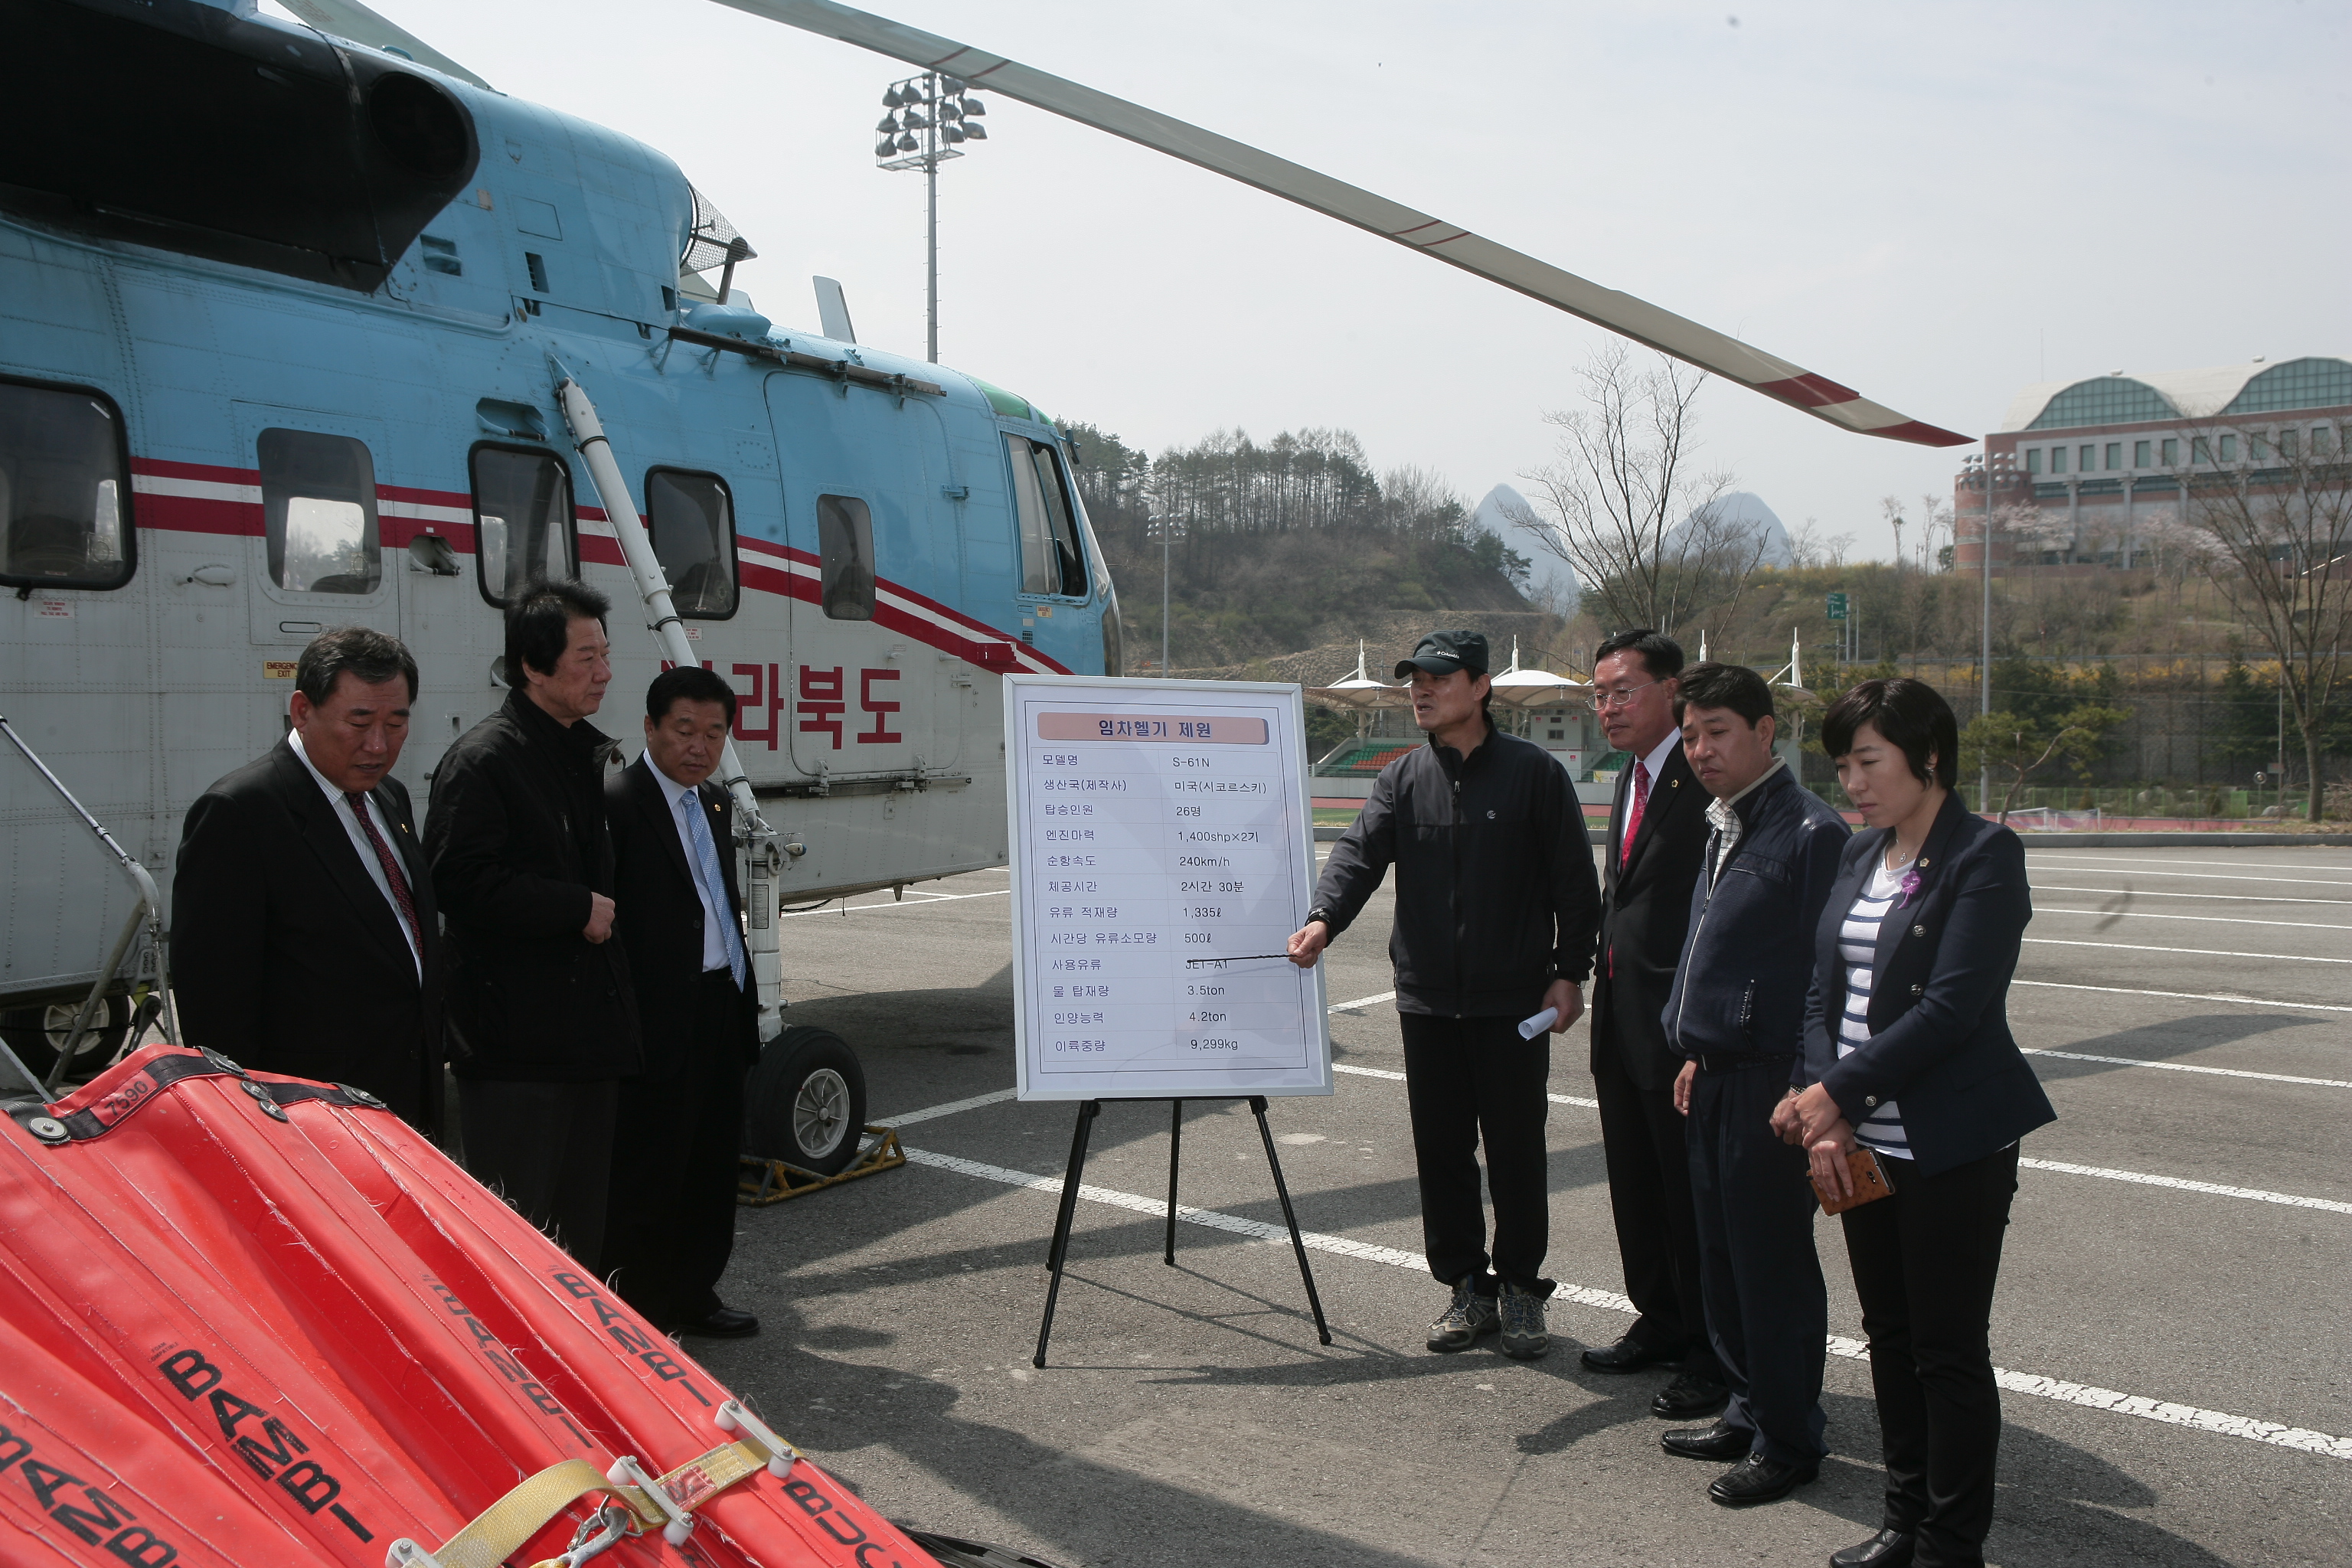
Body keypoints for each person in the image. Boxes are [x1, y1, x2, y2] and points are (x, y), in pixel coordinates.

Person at [1782, 678, 2055, 1568]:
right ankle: (1902, 1520)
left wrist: (1837, 1096)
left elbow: (1950, 1009)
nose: (1853, 781)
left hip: (1947, 1142)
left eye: (1870, 760)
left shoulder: (1985, 855)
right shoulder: (1862, 856)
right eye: (1843, 764)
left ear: (1927, 756)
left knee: (1946, 1348)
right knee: (1889, 1337)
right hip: (1858, 1139)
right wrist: (1828, 1112)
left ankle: (1950, 1540)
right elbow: (1824, 989)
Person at [1287, 629, 1601, 1361]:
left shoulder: (1533, 774)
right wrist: (1322, 919)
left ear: (1480, 686)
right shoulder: (1402, 778)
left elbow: (1574, 888)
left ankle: (1522, 1288)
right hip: (1428, 1001)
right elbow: (1358, 855)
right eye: (1413, 682)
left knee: (1518, 1147)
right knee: (1442, 1150)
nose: (1420, 691)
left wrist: (1569, 972)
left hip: (1514, 1003)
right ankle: (1467, 1286)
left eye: (1436, 678)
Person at [1655, 663, 1850, 1507]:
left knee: (1771, 1265)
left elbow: (1825, 974)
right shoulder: (1724, 823)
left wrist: (1809, 1086)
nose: (1701, 749)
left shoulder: (1810, 832)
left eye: (1718, 731)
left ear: (1766, 732)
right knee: (1723, 1257)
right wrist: (1697, 1046)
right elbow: (1718, 952)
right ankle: (1746, 1402)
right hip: (1719, 1074)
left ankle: (1789, 1435)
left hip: (1775, 1083)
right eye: (1691, 734)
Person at [426, 579, 640, 1264]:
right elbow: (456, 880)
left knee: (582, 1235)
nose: (604, 672)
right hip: (516, 1048)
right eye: (585, 659)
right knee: (517, 1240)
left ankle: (585, 1363)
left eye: (605, 655)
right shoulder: (486, 760)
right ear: (531, 665)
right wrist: (571, 907)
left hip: (586, 1040)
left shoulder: (576, 750)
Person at [173, 626, 442, 1126]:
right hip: (310, 1120)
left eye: (396, 722)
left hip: (403, 1105)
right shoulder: (241, 814)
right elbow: (216, 1009)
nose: (379, 744)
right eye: (359, 721)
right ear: (302, 710)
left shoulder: (389, 798)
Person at [1576, 629, 1728, 1420]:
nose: (1607, 706)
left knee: (1689, 1195)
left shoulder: (1702, 775)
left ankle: (1710, 1346)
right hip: (1619, 1021)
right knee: (1637, 1186)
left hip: (1678, 1030)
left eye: (1623, 689)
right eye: (1599, 693)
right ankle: (1660, 1317)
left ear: (1672, 688)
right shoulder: (1629, 777)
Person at [603, 666, 763, 1339]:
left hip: (717, 1004)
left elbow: (717, 902)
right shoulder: (616, 801)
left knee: (710, 1162)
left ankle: (695, 1292)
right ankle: (643, 1312)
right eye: (684, 731)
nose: (699, 746)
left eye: (715, 733)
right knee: (649, 1170)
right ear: (650, 728)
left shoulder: (717, 804)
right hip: (654, 1016)